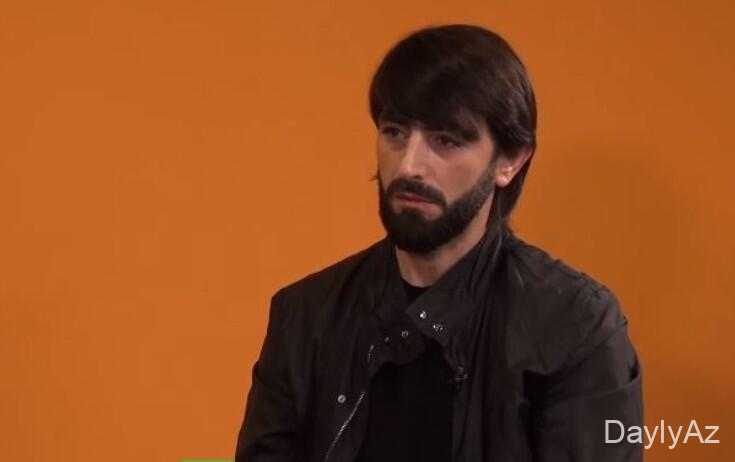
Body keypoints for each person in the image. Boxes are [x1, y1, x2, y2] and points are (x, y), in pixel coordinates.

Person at [234, 24, 643, 462]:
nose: (409, 166)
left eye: (445, 140)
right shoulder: (306, 316)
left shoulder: (575, 327)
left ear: (509, 160)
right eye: (395, 132)